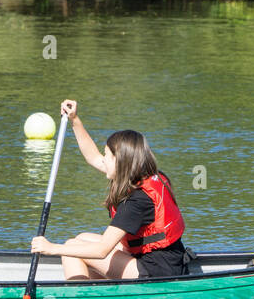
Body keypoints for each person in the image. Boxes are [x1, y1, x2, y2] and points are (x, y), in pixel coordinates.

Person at [30, 100, 190, 279]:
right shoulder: (143, 175)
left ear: (121, 162)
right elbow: (93, 157)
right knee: (81, 238)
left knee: (70, 250)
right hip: (162, 259)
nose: (103, 159)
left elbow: (102, 250)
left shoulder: (137, 201)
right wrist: (75, 120)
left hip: (158, 270)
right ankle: (95, 291)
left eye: (107, 155)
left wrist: (51, 248)